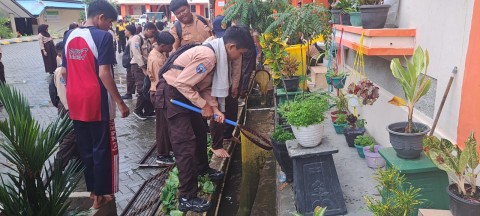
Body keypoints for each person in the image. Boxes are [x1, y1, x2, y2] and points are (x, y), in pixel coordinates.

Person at [157, 26, 253, 212]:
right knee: (185, 144)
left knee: (200, 133)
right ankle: (187, 197)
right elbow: (182, 83)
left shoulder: (217, 56)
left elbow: (205, 86)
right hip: (173, 95)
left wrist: (215, 108)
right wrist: (204, 105)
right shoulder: (208, 57)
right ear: (231, 47)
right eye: (240, 53)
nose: (239, 58)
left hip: (186, 94)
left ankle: (203, 170)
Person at [61, 0, 129, 209]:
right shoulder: (102, 37)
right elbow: (104, 73)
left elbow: (64, 72)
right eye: (109, 22)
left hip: (75, 99)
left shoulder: (68, 36)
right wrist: (120, 102)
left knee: (85, 148)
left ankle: (93, 192)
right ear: (100, 17)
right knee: (101, 148)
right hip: (95, 101)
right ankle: (101, 195)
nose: (110, 27)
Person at [206, 16, 241, 158]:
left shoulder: (234, 44)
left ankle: (228, 134)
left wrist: (235, 85)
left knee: (232, 110)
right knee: (218, 115)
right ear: (213, 32)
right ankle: (216, 145)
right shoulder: (208, 46)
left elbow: (237, 66)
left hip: (228, 83)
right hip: (213, 87)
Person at [146, 31, 175, 165]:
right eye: (170, 46)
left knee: (166, 124)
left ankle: (167, 150)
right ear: (163, 45)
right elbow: (161, 80)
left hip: (158, 91)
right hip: (159, 93)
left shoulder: (159, 53)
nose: (171, 48)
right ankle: (162, 155)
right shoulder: (157, 59)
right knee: (163, 126)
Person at [49, 41, 78, 170]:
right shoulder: (61, 71)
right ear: (61, 54)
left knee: (74, 134)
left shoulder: (68, 67)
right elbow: (63, 94)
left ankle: (77, 160)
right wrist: (71, 111)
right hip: (68, 108)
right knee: (70, 137)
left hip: (69, 107)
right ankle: (56, 169)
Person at [130, 22, 157, 120]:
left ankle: (148, 111)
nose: (152, 34)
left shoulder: (148, 41)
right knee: (142, 89)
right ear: (147, 29)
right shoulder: (137, 39)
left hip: (146, 66)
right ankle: (138, 111)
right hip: (138, 67)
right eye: (152, 32)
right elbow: (137, 54)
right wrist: (143, 68)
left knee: (149, 88)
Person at [121, 24, 138, 100]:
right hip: (130, 62)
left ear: (129, 32)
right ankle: (130, 92)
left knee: (130, 78)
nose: (124, 31)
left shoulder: (131, 40)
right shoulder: (130, 39)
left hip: (131, 62)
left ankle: (129, 93)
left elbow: (132, 52)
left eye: (126, 30)